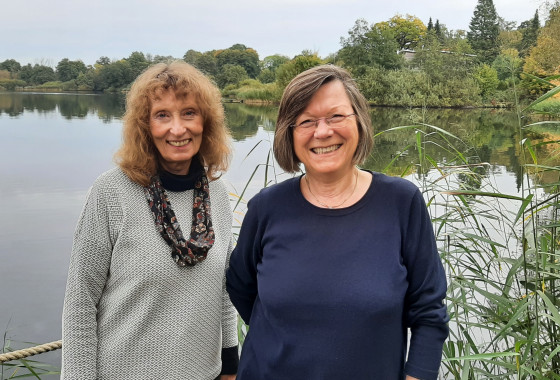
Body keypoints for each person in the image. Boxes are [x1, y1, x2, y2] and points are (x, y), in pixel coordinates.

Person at [226, 64, 449, 380]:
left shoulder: (401, 202)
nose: (322, 132)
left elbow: (429, 313)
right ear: (289, 134)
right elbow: (240, 286)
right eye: (306, 121)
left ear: (359, 121)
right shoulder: (267, 207)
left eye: (336, 116)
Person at [62, 61, 238, 380]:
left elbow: (223, 289)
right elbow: (80, 302)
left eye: (189, 113)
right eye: (162, 115)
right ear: (145, 125)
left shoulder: (218, 193)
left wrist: (230, 365)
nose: (177, 128)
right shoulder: (111, 192)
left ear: (206, 121)